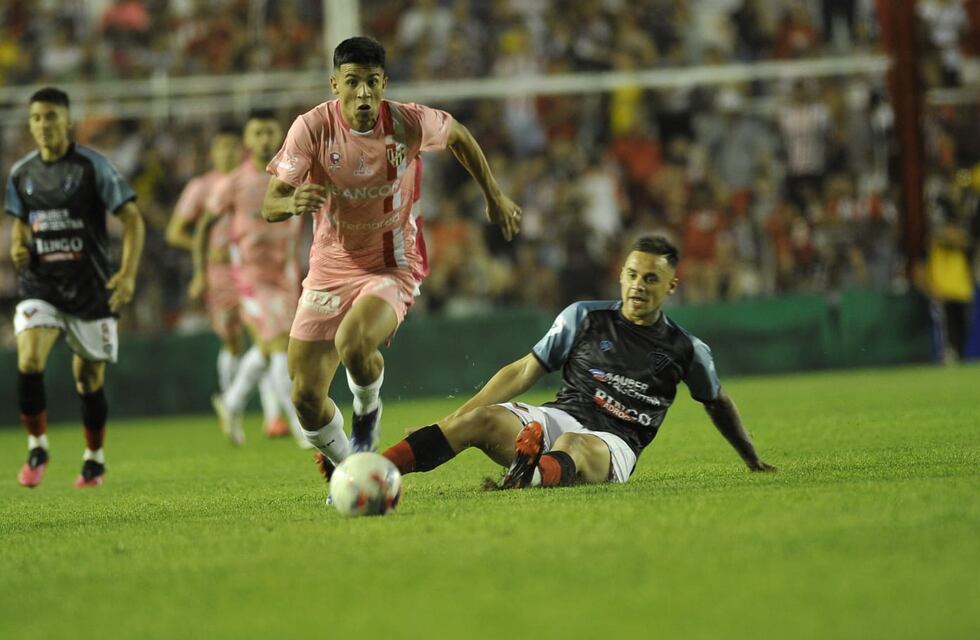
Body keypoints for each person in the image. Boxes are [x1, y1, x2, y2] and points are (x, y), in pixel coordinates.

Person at [260, 37, 522, 472]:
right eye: (352, 82)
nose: (363, 93)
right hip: (329, 269)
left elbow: (458, 135)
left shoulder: (408, 121)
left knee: (353, 343)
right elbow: (271, 203)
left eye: (372, 82)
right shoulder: (311, 128)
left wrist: (493, 196)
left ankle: (367, 411)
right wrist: (291, 202)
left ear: (384, 83)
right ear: (335, 84)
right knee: (304, 397)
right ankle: (351, 468)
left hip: (392, 264)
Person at [379, 235, 775, 489]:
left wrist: (751, 458)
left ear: (671, 285)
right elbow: (523, 370)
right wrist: (450, 420)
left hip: (614, 443)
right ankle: (375, 469)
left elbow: (717, 402)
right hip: (558, 418)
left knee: (575, 444)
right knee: (482, 420)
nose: (638, 285)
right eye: (632, 275)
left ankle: (528, 475)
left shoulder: (686, 349)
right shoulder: (584, 317)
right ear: (621, 276)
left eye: (651, 279)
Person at [4, 86, 145, 488]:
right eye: (36, 118)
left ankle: (94, 457)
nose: (43, 124)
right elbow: (20, 221)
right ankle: (37, 447)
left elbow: (133, 219)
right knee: (29, 360)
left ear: (67, 121)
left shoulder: (93, 167)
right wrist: (17, 244)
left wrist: (128, 274)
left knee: (88, 380)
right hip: (41, 284)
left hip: (90, 289)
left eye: (51, 116)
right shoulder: (21, 173)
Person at [194, 110, 307, 447]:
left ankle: (230, 403)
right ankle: (302, 429)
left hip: (286, 276)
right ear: (247, 141)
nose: (264, 139)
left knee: (269, 348)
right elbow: (203, 227)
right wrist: (201, 271)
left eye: (270, 132)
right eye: (257, 133)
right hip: (250, 279)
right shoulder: (233, 182)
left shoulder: (298, 174)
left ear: (281, 135)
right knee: (280, 346)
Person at [167, 125, 290, 438]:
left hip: (250, 271)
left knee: (265, 339)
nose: (228, 153)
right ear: (212, 152)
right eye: (222, 147)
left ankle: (272, 416)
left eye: (233, 147)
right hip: (219, 275)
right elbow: (175, 231)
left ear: (243, 149)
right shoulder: (202, 187)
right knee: (234, 342)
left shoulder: (257, 178)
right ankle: (231, 399)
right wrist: (205, 261)